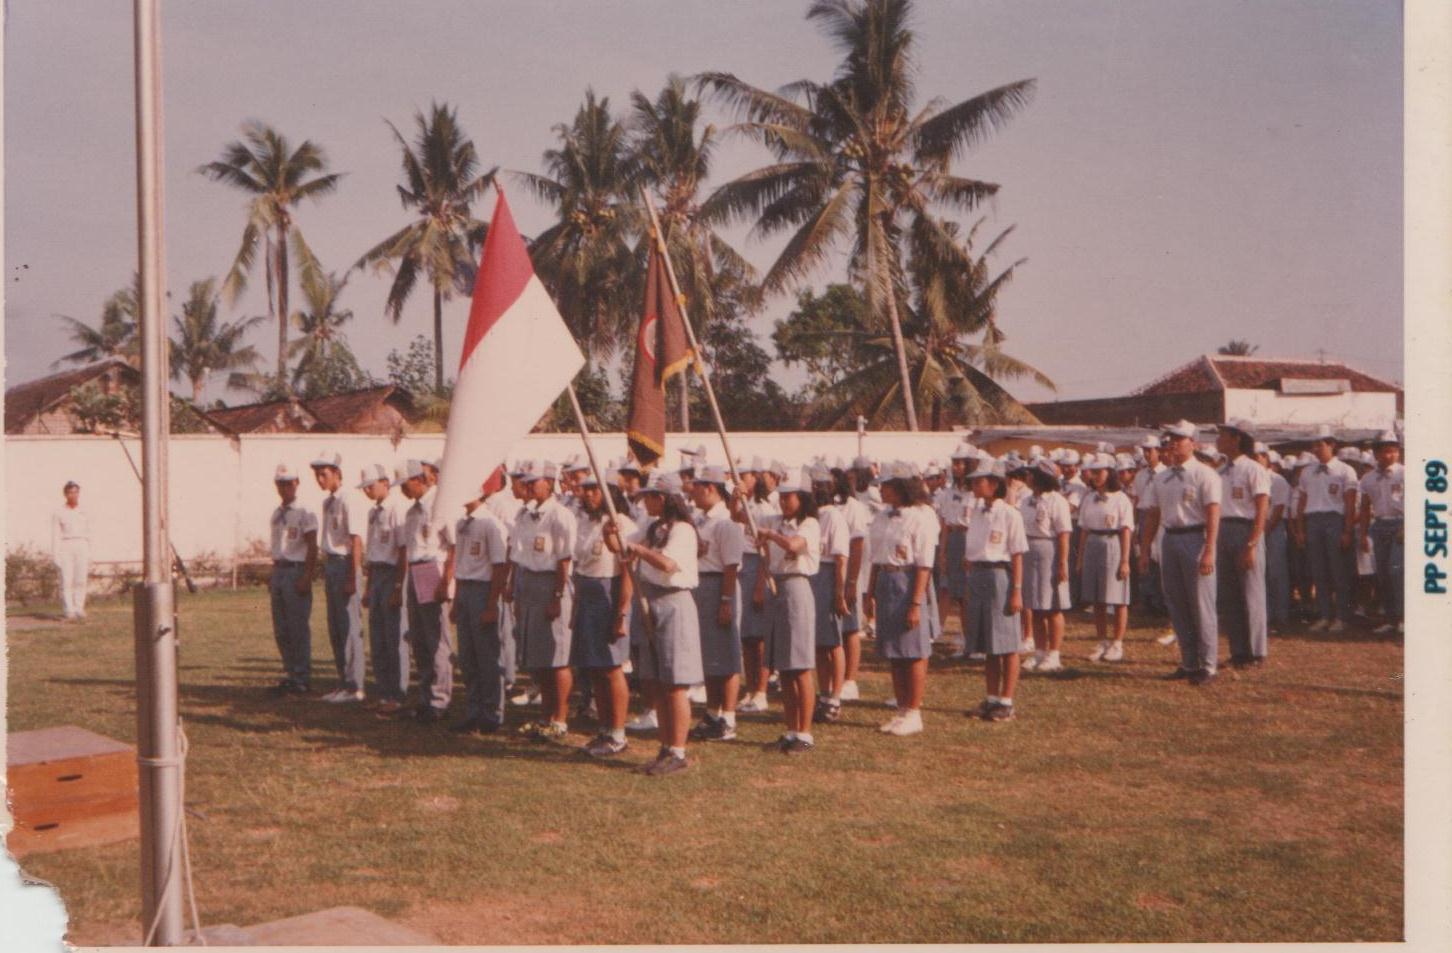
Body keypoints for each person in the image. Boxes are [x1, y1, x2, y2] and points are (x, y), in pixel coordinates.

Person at [603, 470, 701, 777]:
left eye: (649, 497)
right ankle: (665, 746)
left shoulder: (683, 530)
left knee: (675, 682)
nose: (644, 502)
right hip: (651, 600)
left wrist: (640, 550)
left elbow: (668, 564)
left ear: (663, 498)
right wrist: (609, 532)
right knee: (658, 682)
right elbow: (620, 547)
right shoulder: (654, 527)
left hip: (673, 601)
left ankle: (678, 751)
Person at [1137, 421, 1221, 685]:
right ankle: (1189, 662)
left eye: (1180, 438)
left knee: (1201, 604)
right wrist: (1145, 548)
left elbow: (1213, 513)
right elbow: (1153, 514)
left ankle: (1208, 665)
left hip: (1196, 538)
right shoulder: (1162, 477)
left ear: (1193, 443)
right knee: (1177, 603)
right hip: (1170, 539)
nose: (1173, 443)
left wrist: (1209, 549)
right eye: (1171, 438)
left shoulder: (1204, 474)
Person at [864, 461, 939, 736]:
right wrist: (870, 592)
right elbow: (876, 558)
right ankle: (902, 709)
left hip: (908, 581)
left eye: (886, 486)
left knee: (913, 651)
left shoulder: (921, 516)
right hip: (886, 580)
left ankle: (914, 711)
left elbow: (924, 565)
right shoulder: (882, 516)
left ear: (901, 487)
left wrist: (915, 603)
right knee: (894, 651)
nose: (881, 490)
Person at [506, 461, 578, 742]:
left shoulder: (560, 515)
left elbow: (564, 559)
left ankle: (560, 719)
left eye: (533, 481)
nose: (527, 486)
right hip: (528, 583)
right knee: (539, 658)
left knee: (557, 657)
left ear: (549, 482)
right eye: (525, 481)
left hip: (550, 584)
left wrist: (557, 596)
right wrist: (514, 588)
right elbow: (518, 555)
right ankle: (545, 716)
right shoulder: (524, 514)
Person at [752, 468, 822, 753]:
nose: (783, 501)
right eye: (781, 496)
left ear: (802, 498)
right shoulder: (775, 520)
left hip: (797, 586)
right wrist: (738, 496)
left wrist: (770, 535)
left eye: (789, 496)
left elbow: (794, 544)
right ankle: (792, 729)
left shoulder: (810, 524)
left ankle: (805, 733)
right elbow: (742, 517)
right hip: (777, 587)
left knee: (800, 666)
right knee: (785, 667)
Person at [573, 472, 637, 757]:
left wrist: (621, 613)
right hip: (587, 593)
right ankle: (605, 729)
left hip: (609, 595)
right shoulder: (585, 522)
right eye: (585, 489)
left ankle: (619, 733)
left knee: (612, 667)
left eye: (594, 489)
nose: (588, 494)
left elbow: (628, 571)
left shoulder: (621, 523)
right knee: (595, 668)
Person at [960, 460, 1028, 722]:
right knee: (987, 642)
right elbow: (972, 552)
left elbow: (1018, 555)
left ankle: (1007, 701)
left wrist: (1016, 591)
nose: (975, 486)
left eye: (980, 481)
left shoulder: (1010, 514)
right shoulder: (977, 513)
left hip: (1000, 576)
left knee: (1007, 643)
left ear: (994, 484)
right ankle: (991, 698)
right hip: (978, 575)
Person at [448, 478, 511, 735]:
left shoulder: (490, 523)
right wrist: (456, 600)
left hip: (484, 590)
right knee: (468, 656)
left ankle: (492, 713)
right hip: (465, 589)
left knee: (487, 655)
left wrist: (491, 604)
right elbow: (461, 565)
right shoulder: (462, 523)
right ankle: (473, 710)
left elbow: (499, 566)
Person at [688, 465, 746, 742]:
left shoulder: (726, 522)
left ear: (710, 488)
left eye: (697, 487)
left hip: (720, 584)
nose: (693, 493)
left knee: (727, 654)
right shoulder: (701, 520)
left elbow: (731, 565)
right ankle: (712, 712)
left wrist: (726, 600)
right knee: (709, 654)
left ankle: (729, 717)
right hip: (701, 584)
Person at [393, 459, 453, 722]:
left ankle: (440, 700)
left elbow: (453, 546)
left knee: (435, 639)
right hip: (415, 571)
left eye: (405, 484)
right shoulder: (411, 513)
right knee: (418, 639)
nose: (402, 490)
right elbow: (409, 549)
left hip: (432, 569)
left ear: (418, 480)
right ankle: (426, 697)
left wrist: (445, 582)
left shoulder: (439, 506)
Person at [309, 451, 366, 703]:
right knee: (335, 626)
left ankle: (355, 686)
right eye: (317, 475)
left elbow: (355, 540)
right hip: (332, 564)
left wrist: (352, 576)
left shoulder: (349, 499)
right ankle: (343, 682)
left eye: (324, 474)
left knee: (349, 626)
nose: (320, 479)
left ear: (337, 474)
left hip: (345, 564)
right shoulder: (328, 502)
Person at [1215, 420, 1271, 669]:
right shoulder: (1221, 471)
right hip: (1223, 530)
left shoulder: (1253, 469)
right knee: (1230, 595)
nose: (1218, 440)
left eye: (1223, 435)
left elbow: (1261, 509)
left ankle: (1256, 652)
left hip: (1245, 529)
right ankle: (1238, 651)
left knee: (1251, 593)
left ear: (1236, 438)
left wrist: (1252, 544)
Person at [1294, 425, 1359, 633]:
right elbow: (1302, 502)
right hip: (1313, 521)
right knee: (1318, 571)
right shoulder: (1307, 471)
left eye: (1320, 445)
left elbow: (1350, 503)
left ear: (1332, 445)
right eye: (1313, 445)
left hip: (1335, 521)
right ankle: (1324, 615)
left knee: (1338, 570)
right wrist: (1301, 529)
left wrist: (1347, 530)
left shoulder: (1345, 470)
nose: (1316, 449)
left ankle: (1341, 616)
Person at [358, 464, 409, 715]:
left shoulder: (397, 509)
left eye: (371, 485)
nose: (367, 490)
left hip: (392, 573)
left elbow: (403, 550)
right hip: (377, 573)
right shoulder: (372, 513)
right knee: (377, 638)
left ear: (385, 483)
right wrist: (368, 587)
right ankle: (383, 691)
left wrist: (398, 587)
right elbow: (372, 551)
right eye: (365, 487)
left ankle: (397, 694)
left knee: (394, 637)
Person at [1077, 454, 1136, 663]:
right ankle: (1102, 640)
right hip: (1093, 543)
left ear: (1109, 473)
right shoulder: (1089, 498)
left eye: (1098, 472)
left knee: (1117, 597)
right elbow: (1084, 529)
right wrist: (1080, 557)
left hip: (1113, 544)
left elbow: (1126, 530)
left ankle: (1117, 643)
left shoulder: (1121, 499)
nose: (1094, 476)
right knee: (1097, 598)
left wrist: (1125, 560)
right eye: (1092, 472)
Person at [267, 465, 318, 695]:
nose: (285, 487)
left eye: (289, 483)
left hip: (296, 570)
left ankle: (301, 677)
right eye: (281, 483)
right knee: (281, 629)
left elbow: (312, 546)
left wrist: (307, 575)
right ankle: (290, 673)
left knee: (297, 627)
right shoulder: (277, 514)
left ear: (297, 483)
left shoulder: (305, 511)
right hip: (279, 570)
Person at [736, 457, 781, 713]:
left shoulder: (765, 509)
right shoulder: (748, 503)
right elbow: (736, 517)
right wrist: (735, 498)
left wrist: (759, 584)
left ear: (756, 478)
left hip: (758, 567)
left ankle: (761, 691)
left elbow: (767, 551)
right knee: (747, 637)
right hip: (743, 565)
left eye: (744, 476)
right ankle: (750, 688)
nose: (740, 480)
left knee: (759, 635)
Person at [1018, 458, 1071, 673]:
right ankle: (1039, 651)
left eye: (1031, 474)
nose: (1027, 477)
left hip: (1049, 550)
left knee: (1052, 606)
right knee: (1035, 605)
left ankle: (1054, 653)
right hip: (1029, 550)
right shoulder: (1026, 500)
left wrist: (1062, 563)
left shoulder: (1057, 501)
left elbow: (1063, 533)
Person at [808, 464, 851, 724]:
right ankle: (823, 693)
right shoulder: (811, 516)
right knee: (819, 642)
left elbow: (841, 558)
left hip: (827, 576)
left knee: (833, 641)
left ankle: (835, 696)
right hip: (812, 575)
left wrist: (839, 592)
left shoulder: (834, 517)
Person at [1358, 430, 1404, 635]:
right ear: (1376, 454)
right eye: (1385, 451)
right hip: (1380, 526)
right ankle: (1390, 619)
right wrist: (1363, 534)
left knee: (1397, 571)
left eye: (1393, 451)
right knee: (1383, 573)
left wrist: (1406, 527)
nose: (1389, 455)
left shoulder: (1405, 473)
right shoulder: (1368, 479)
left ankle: (1403, 618)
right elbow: (1365, 507)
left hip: (1401, 524)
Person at [936, 445, 977, 656]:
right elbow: (944, 524)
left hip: (969, 538)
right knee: (957, 594)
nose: (956, 467)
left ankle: (972, 639)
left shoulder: (975, 492)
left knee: (969, 594)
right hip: (953, 539)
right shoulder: (949, 492)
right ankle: (965, 636)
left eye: (960, 463)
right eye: (954, 463)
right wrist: (943, 552)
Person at [1257, 447, 1293, 632]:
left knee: (1276, 572)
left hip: (1273, 528)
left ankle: (1281, 614)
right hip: (1255, 528)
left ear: (1266, 458)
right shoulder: (1251, 477)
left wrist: (1266, 529)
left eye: (1258, 456)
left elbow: (1279, 507)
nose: (1255, 460)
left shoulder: (1277, 480)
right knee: (1260, 573)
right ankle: (1265, 614)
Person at [51, 481, 91, 621]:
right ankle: (69, 610)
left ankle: (79, 608)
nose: (73, 495)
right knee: (66, 579)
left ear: (79, 493)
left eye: (75, 492)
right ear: (65, 494)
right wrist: (55, 554)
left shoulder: (84, 510)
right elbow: (55, 534)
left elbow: (90, 532)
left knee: (81, 579)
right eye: (70, 492)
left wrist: (90, 550)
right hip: (66, 544)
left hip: (82, 544)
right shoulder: (59, 512)